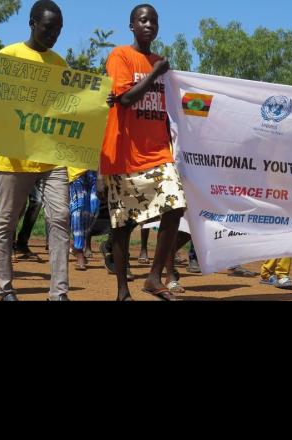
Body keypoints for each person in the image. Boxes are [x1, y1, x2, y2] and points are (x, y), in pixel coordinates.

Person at [0, 1, 77, 301]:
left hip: (51, 156)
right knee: (6, 222)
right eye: (48, 28)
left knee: (61, 217)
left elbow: (69, 107)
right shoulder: (8, 56)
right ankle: (5, 288)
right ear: (32, 23)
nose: (54, 34)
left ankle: (59, 293)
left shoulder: (60, 64)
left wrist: (96, 104)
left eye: (59, 30)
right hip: (14, 156)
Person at [101, 3, 187, 301]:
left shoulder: (160, 63)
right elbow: (125, 99)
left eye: (153, 21)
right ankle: (122, 291)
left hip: (157, 152)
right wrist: (153, 74)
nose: (149, 25)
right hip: (123, 153)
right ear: (132, 26)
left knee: (176, 205)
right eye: (143, 20)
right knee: (122, 225)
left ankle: (153, 277)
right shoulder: (120, 55)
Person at [68, 168, 100, 271]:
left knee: (94, 209)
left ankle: (75, 244)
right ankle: (79, 250)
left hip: (95, 171)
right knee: (78, 211)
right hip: (75, 172)